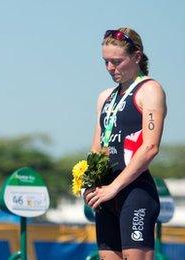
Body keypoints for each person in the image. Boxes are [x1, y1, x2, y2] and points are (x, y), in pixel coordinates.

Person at [84, 28, 167, 260]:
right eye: (106, 62)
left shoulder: (150, 90)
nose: (111, 68)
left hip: (134, 191)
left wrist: (114, 187)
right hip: (106, 195)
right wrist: (88, 184)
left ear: (137, 56)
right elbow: (97, 147)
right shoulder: (105, 97)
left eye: (117, 61)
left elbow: (150, 147)